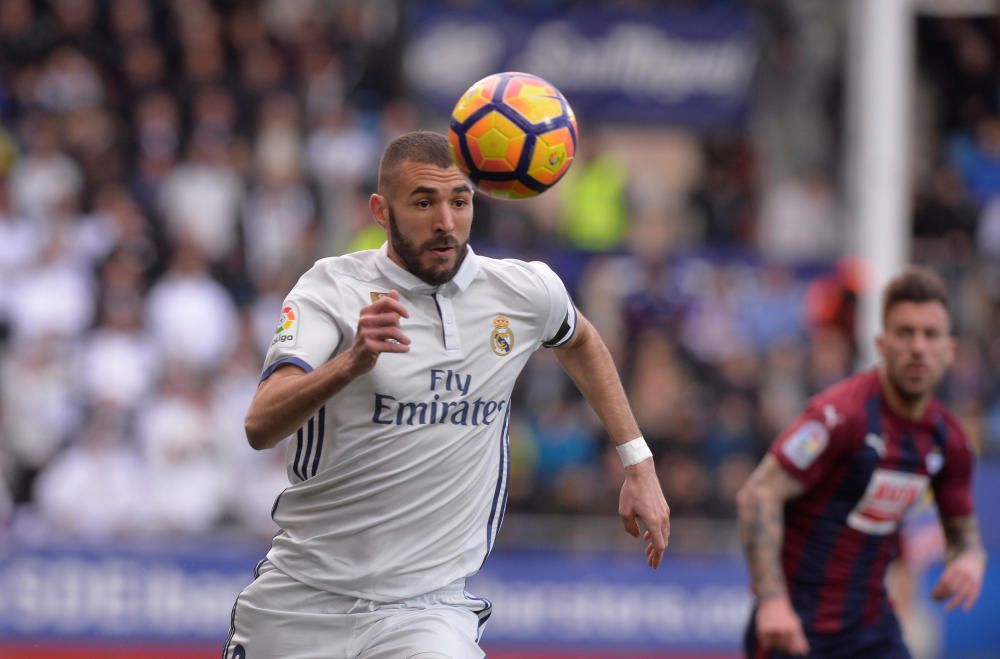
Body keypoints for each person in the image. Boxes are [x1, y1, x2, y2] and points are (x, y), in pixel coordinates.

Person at [223, 131, 670, 659]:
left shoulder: (523, 292)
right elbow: (260, 425)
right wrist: (351, 363)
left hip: (426, 613)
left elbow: (581, 340)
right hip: (303, 602)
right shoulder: (331, 290)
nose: (445, 221)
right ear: (381, 212)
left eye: (459, 200)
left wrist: (637, 463)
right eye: (423, 202)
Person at [737, 266, 986, 658]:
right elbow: (758, 494)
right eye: (905, 333)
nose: (918, 347)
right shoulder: (839, 416)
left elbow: (963, 533)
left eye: (930, 334)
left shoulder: (948, 440)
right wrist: (771, 601)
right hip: (796, 628)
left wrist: (969, 559)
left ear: (949, 350)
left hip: (871, 629)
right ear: (882, 344)